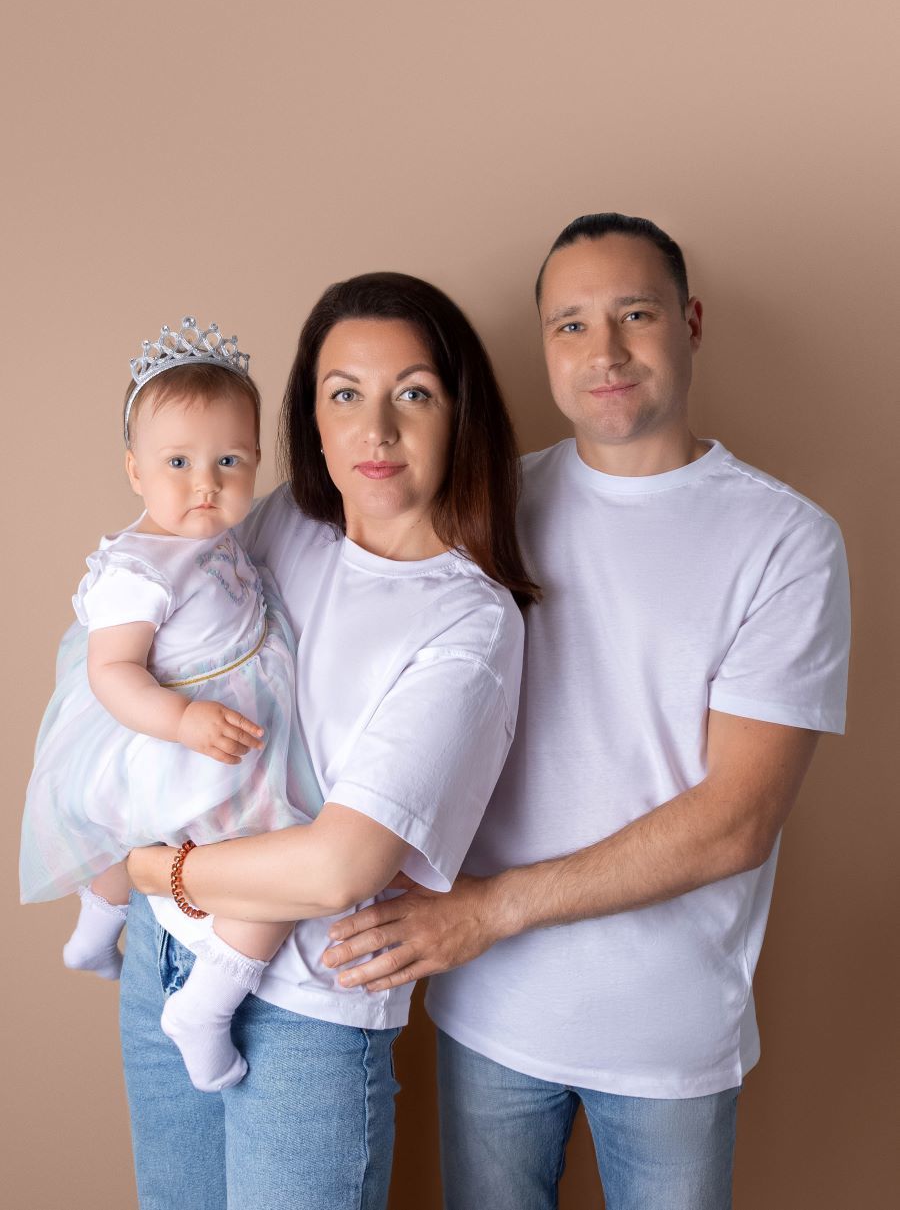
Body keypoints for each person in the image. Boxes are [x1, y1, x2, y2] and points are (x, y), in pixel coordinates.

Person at [323, 215, 852, 1210]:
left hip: (668, 1039)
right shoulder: (488, 509)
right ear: (545, 350)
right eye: (570, 325)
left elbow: (737, 820)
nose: (603, 351)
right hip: (486, 1017)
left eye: (634, 315)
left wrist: (488, 911)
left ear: (689, 323)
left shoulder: (787, 541)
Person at [125, 271, 535, 1209]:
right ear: (310, 417)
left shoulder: (471, 625)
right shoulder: (281, 525)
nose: (375, 429)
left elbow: (336, 869)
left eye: (414, 394)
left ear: (459, 414)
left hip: (305, 1008)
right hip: (164, 962)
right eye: (344, 393)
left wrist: (155, 869)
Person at [20, 318, 322, 1093]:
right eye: (179, 462)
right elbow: (112, 671)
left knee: (134, 841)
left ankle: (96, 930)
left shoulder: (220, 538)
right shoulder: (138, 570)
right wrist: (184, 721)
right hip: (173, 733)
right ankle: (206, 1005)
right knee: (281, 861)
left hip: (218, 727)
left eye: (230, 461)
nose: (205, 484)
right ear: (134, 469)